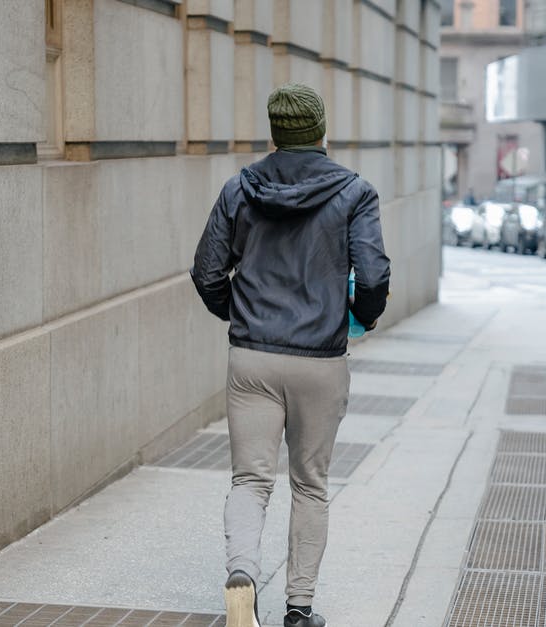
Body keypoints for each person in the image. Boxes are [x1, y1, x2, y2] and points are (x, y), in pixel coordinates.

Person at [191, 83, 391, 627]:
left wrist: (243, 314)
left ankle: (242, 577)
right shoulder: (355, 194)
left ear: (275, 134)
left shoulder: (240, 189)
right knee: (310, 484)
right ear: (321, 133)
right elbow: (373, 276)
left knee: (250, 480)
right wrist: (361, 317)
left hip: (252, 357)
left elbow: (206, 272)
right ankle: (299, 610)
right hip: (321, 361)